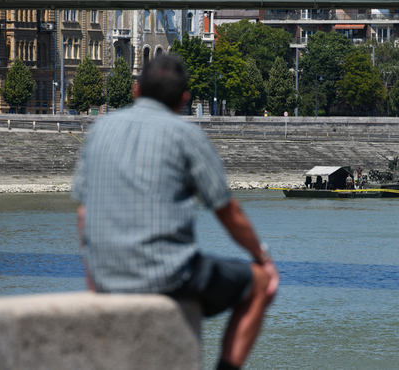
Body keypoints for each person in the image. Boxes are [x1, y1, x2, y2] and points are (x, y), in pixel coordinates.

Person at [72, 55, 278, 370]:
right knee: (260, 284)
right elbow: (226, 210)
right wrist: (262, 257)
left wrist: (95, 279)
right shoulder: (187, 136)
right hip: (169, 275)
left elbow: (83, 215)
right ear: (184, 100)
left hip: (107, 277)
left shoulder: (100, 129)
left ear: (135, 90)